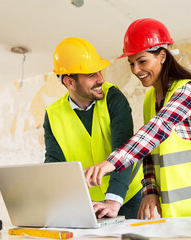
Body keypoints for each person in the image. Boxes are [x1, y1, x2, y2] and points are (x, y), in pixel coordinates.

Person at [84, 18, 191, 219]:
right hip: (173, 211)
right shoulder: (151, 98)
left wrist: (110, 163)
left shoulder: (189, 90)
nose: (135, 70)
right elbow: (152, 151)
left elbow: (157, 129)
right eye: (131, 63)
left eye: (142, 61)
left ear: (162, 56)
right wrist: (150, 191)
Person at [44, 37, 143, 219]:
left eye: (99, 72)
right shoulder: (52, 114)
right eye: (91, 75)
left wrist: (113, 200)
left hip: (127, 194)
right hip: (89, 201)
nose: (101, 79)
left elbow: (123, 147)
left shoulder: (113, 97)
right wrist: (58, 201)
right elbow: (54, 162)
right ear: (69, 82)